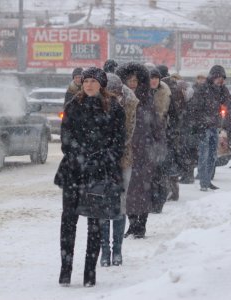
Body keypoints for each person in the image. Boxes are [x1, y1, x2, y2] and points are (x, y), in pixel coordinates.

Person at [54, 67, 126, 287]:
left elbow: (118, 142)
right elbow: (65, 138)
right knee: (68, 220)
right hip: (74, 170)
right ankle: (65, 270)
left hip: (99, 173)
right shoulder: (73, 106)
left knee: (94, 222)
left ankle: (89, 273)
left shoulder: (114, 108)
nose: (88, 85)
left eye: (93, 81)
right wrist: (78, 155)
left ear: (101, 84)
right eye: (85, 81)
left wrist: (102, 159)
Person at [116, 62, 160, 238]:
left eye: (135, 80)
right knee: (128, 192)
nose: (133, 83)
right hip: (127, 152)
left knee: (142, 190)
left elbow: (156, 126)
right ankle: (132, 224)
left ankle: (141, 225)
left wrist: (157, 149)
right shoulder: (121, 101)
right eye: (129, 80)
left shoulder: (147, 100)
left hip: (145, 152)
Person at [100, 73, 139, 266]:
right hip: (102, 161)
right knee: (102, 206)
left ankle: (117, 250)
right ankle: (104, 251)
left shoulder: (131, 104)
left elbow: (131, 133)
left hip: (123, 159)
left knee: (120, 203)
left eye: (116, 94)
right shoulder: (97, 104)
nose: (113, 98)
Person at [189, 65, 229, 191]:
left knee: (212, 155)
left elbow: (227, 102)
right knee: (204, 155)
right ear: (212, 76)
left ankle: (208, 180)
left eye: (222, 78)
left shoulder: (220, 90)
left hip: (214, 126)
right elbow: (195, 108)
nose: (219, 80)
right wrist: (200, 124)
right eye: (218, 77)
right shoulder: (202, 89)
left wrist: (223, 88)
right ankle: (203, 182)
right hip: (204, 127)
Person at [149, 68, 171, 213]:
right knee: (148, 173)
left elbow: (173, 115)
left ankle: (158, 202)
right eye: (151, 78)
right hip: (146, 137)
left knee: (159, 171)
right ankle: (150, 202)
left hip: (161, 137)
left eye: (156, 78)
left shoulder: (166, 93)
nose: (154, 80)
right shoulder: (143, 93)